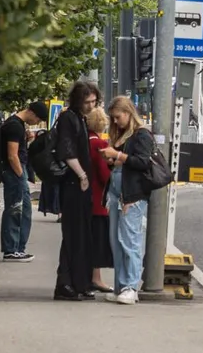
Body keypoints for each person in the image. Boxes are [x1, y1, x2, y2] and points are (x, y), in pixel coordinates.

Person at [102, 95, 155, 306]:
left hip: (132, 195)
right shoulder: (123, 135)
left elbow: (143, 162)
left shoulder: (141, 135)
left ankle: (130, 287)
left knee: (129, 241)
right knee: (116, 241)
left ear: (128, 113)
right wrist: (112, 160)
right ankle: (120, 286)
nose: (115, 122)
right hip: (118, 193)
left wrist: (118, 156)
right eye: (112, 118)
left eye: (117, 117)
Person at [52, 82, 99, 301]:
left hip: (77, 183)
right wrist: (82, 175)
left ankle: (76, 282)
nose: (92, 105)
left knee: (79, 234)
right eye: (88, 101)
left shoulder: (76, 118)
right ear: (79, 100)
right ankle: (67, 282)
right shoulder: (70, 119)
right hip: (74, 183)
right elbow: (67, 150)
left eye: (94, 101)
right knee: (74, 234)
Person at [0, 102, 45, 262]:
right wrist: (21, 175)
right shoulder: (14, 126)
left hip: (16, 171)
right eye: (38, 119)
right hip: (14, 172)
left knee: (23, 209)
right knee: (16, 209)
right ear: (32, 113)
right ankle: (11, 249)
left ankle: (17, 247)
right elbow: (12, 155)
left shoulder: (15, 125)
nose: (37, 123)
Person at [86, 106, 114, 294]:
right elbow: (105, 176)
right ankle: (96, 278)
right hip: (98, 200)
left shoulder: (84, 141)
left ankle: (87, 277)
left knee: (86, 240)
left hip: (84, 197)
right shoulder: (100, 145)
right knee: (97, 242)